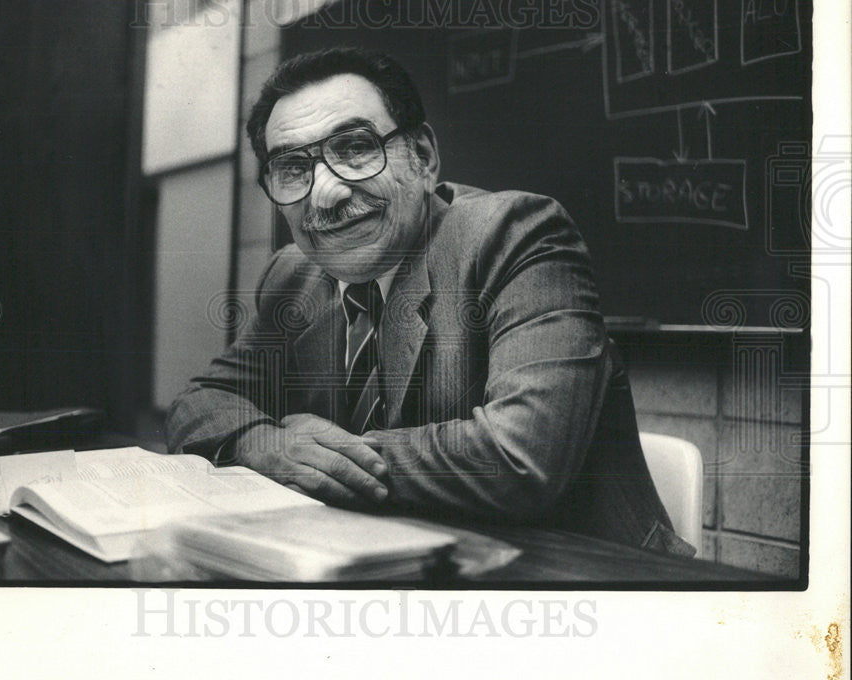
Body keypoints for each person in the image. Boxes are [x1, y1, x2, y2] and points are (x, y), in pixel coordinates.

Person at [166, 47, 694, 555]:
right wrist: (263, 444)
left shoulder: (515, 236)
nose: (324, 193)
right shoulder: (293, 276)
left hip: (581, 577)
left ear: (421, 158)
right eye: (293, 169)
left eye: (354, 149)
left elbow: (520, 458)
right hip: (389, 561)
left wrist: (318, 458)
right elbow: (201, 402)